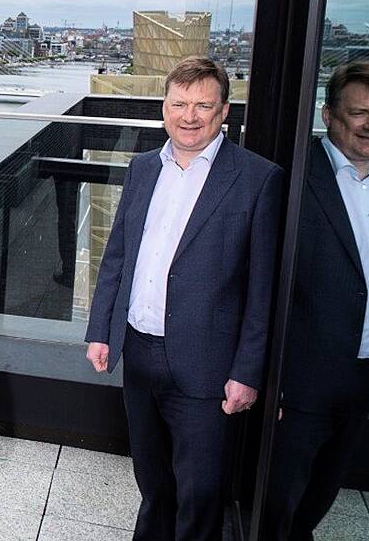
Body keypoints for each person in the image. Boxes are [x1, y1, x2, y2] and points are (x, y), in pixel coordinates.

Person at [84, 56, 284, 540]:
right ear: (164, 108)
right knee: (153, 486)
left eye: (203, 106)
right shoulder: (143, 169)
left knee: (200, 495)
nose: (189, 116)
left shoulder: (258, 179)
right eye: (179, 104)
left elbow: (263, 291)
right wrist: (100, 331)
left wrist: (248, 372)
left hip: (208, 367)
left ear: (224, 112)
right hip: (139, 353)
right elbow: (117, 257)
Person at [262, 61, 369, 539]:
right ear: (329, 115)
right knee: (279, 495)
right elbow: (266, 282)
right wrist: (270, 377)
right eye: (361, 113)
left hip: (365, 371)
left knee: (324, 489)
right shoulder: (291, 178)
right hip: (304, 375)